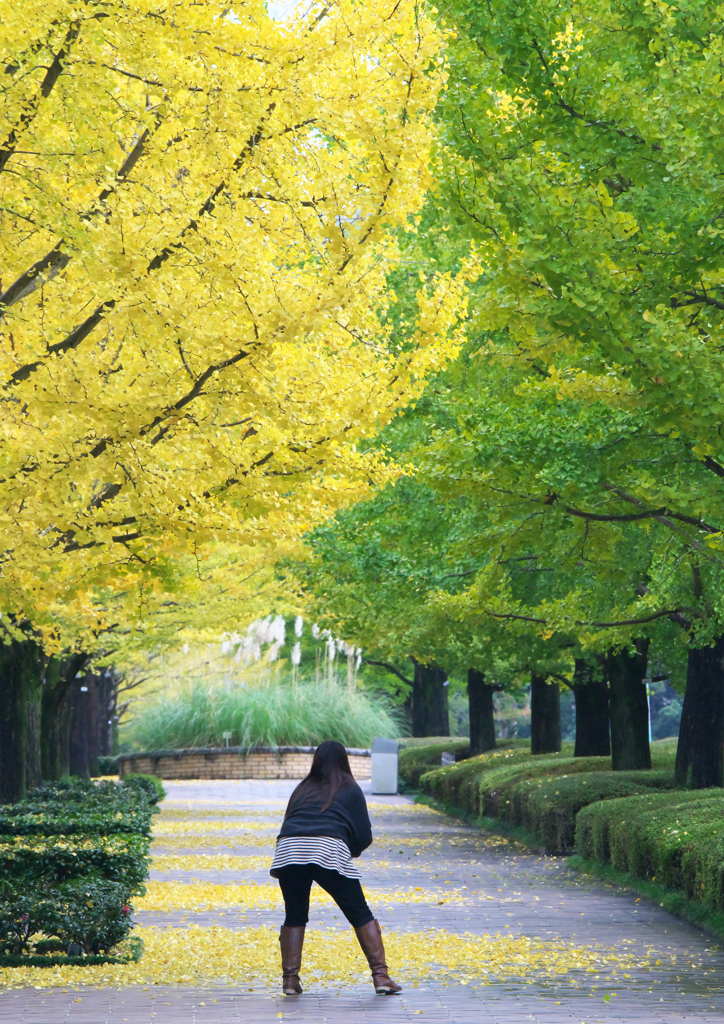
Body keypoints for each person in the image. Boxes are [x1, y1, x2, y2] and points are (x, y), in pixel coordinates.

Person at [270, 739, 401, 996]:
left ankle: (290, 981)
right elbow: (364, 834)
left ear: (316, 761)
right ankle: (381, 976)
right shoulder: (350, 788)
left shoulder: (301, 788)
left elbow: (289, 821)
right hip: (328, 847)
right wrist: (350, 852)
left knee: (294, 915)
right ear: (344, 761)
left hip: (289, 849)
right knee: (360, 913)